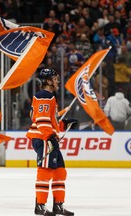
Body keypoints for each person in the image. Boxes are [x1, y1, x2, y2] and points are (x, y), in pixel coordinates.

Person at [26, 69, 77, 216]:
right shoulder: (44, 95)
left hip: (47, 137)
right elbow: (41, 120)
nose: (57, 81)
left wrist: (64, 124)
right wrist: (49, 138)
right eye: (55, 79)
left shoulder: (49, 96)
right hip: (43, 138)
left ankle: (58, 205)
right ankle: (40, 206)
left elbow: (49, 120)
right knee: (45, 171)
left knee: (59, 171)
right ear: (48, 81)